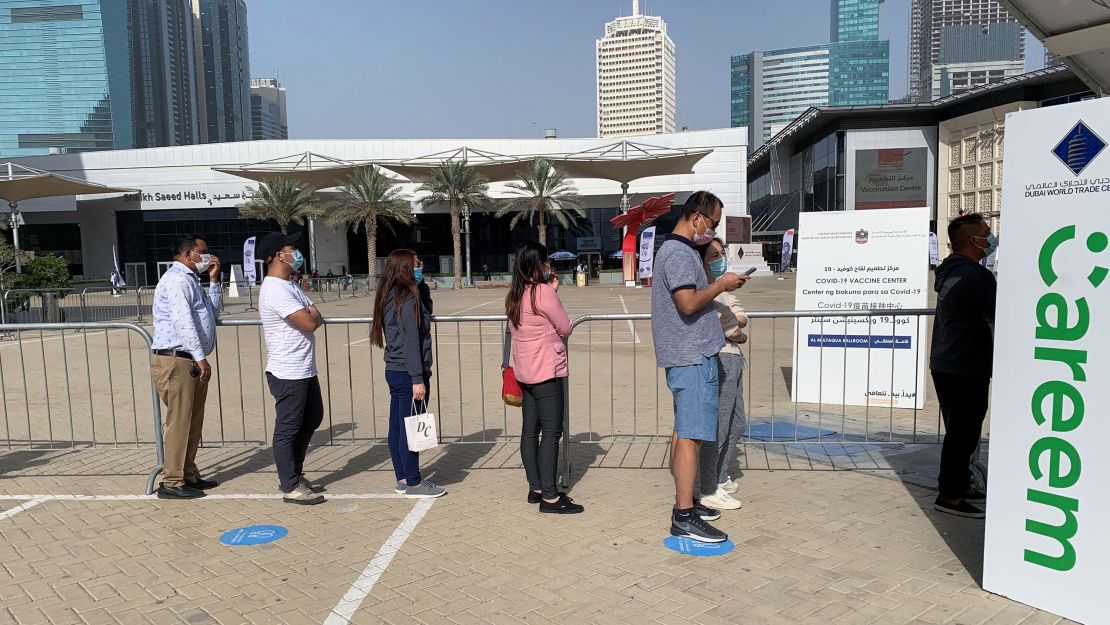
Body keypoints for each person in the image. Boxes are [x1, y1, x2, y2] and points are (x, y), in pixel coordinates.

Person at [651, 191, 746, 542]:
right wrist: (721, 284)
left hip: (691, 354)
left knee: (683, 432)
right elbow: (688, 303)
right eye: (714, 223)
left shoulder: (681, 251)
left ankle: (688, 502)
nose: (713, 230)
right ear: (697, 217)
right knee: (690, 436)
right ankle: (684, 515)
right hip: (690, 356)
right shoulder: (678, 252)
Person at [506, 241, 582, 514]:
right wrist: (552, 292)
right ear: (538, 265)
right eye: (545, 261)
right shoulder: (542, 292)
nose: (548, 265)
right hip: (546, 371)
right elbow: (565, 326)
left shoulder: (516, 293)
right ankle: (550, 496)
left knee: (530, 431)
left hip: (525, 371)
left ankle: (535, 487)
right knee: (551, 433)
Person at [930, 213, 997, 519]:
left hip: (951, 362)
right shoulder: (973, 276)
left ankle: (961, 484)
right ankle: (950, 495)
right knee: (963, 432)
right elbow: (1000, 310)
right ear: (972, 241)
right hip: (963, 364)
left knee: (963, 431)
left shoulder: (952, 270)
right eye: (986, 233)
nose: (991, 237)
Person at [150, 234, 222, 499]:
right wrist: (200, 356)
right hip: (177, 358)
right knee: (179, 422)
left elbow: (213, 314)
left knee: (193, 421)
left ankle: (188, 474)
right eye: (203, 251)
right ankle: (172, 482)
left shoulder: (192, 280)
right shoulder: (178, 280)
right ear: (189, 253)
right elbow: (183, 321)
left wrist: (213, 281)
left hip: (189, 358)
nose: (208, 256)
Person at [257, 232, 327, 505]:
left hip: (304, 368)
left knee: (312, 418)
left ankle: (295, 474)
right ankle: (289, 483)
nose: (296, 253)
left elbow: (315, 313)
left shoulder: (291, 285)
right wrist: (312, 315)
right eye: (291, 248)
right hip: (287, 370)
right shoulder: (275, 288)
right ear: (276, 256)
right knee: (288, 428)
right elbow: (310, 322)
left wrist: (312, 314)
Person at [371, 250, 446, 499]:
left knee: (397, 426)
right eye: (416, 263)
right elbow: (411, 340)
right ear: (404, 267)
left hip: (394, 369)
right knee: (411, 429)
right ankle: (413, 481)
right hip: (408, 372)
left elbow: (426, 309)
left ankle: (402, 477)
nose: (420, 265)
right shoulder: (406, 299)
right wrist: (417, 379)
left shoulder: (392, 293)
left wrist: (421, 284)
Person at [696, 238, 748, 512]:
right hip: (722, 357)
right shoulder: (703, 288)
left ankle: (721, 473)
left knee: (737, 422)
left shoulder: (724, 287)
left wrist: (734, 324)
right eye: (713, 255)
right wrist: (735, 328)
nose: (719, 259)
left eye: (721, 254)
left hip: (735, 357)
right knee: (720, 424)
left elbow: (738, 314)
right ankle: (709, 484)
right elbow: (728, 326)